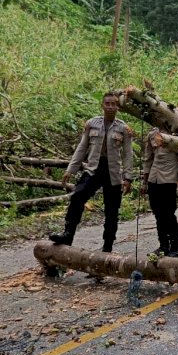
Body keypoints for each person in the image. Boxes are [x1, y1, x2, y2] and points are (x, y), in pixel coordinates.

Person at [49, 92, 134, 252]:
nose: (110, 107)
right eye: (107, 103)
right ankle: (68, 234)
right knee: (77, 196)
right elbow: (82, 148)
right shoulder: (92, 124)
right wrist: (71, 170)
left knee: (112, 210)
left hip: (113, 172)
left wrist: (128, 177)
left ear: (118, 107)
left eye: (113, 104)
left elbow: (127, 154)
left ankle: (107, 246)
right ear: (102, 105)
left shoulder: (123, 129)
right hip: (93, 168)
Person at [142, 128, 178, 257]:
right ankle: (163, 246)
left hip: (169, 179)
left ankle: (175, 248)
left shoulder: (176, 135)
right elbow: (148, 158)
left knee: (168, 214)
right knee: (158, 214)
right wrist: (145, 182)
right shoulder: (152, 134)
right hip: (153, 178)